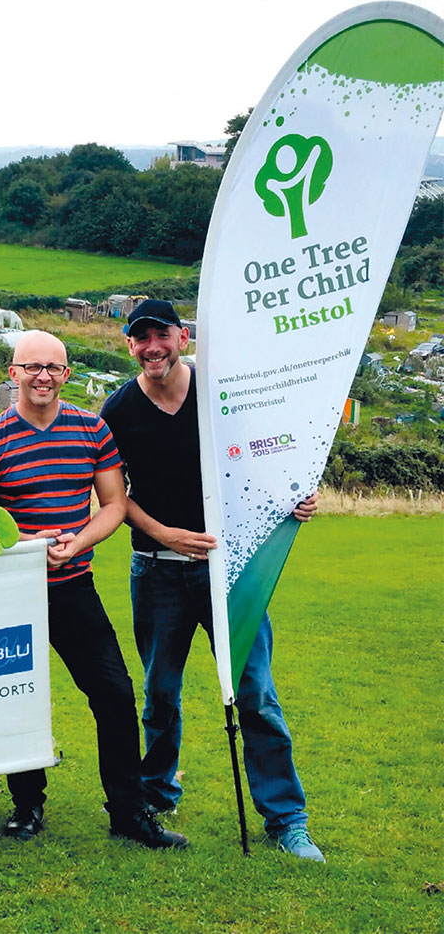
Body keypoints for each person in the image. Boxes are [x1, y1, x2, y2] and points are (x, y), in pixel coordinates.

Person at [100, 299, 324, 861]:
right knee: (159, 695)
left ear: (181, 336)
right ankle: (156, 794)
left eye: (161, 335)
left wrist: (293, 493)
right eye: (140, 337)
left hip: (232, 574)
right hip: (156, 573)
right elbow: (113, 496)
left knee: (257, 696)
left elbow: (266, 452)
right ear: (129, 344)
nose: (152, 346)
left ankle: (286, 820)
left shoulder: (224, 391)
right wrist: (165, 534)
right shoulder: (117, 411)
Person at [0, 330, 188, 850]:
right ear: (13, 373)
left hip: (72, 586)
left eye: (54, 367)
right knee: (16, 696)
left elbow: (113, 503)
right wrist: (26, 542)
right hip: (10, 592)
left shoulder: (92, 429)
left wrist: (76, 541)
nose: (43, 376)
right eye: (31, 366)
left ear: (67, 374)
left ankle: (129, 812)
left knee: (113, 694)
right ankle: (27, 805)